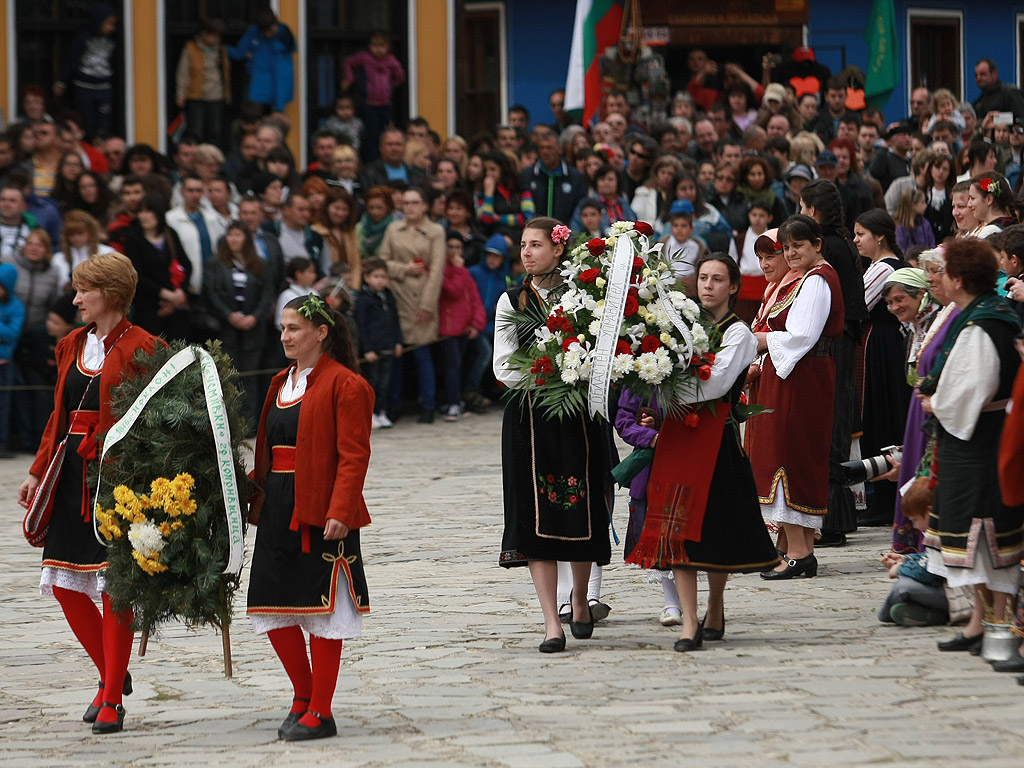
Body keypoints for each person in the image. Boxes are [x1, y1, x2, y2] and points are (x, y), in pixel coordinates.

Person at [18, 253, 160, 733]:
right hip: (69, 475)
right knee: (63, 583)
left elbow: (155, 423)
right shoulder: (71, 344)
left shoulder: (146, 347)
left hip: (117, 480)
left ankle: (112, 697)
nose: (75, 299)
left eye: (84, 291)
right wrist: (38, 471)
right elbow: (57, 418)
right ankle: (111, 675)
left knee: (114, 589)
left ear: (111, 295)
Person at [623, 253, 779, 651]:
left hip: (716, 441)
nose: (708, 285)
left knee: (712, 533)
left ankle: (717, 603)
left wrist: (661, 380)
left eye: (717, 279)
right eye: (703, 278)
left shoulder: (739, 333)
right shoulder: (677, 326)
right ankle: (689, 622)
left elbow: (713, 384)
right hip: (678, 438)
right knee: (679, 533)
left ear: (732, 287)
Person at [247, 293, 372, 741]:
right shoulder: (280, 382)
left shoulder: (347, 385)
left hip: (320, 508)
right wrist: (246, 494)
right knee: (272, 603)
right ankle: (302, 695)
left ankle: (321, 710)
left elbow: (354, 456)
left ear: (322, 332)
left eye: (294, 328)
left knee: (322, 608)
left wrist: (341, 510)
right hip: (278, 506)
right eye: (282, 328)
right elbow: (266, 446)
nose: (285, 336)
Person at [493, 217, 611, 652]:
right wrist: (548, 375)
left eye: (536, 245)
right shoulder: (512, 301)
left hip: (577, 414)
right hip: (529, 415)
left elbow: (603, 352)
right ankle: (550, 622)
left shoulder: (586, 296)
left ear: (558, 249)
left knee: (578, 506)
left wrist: (576, 373)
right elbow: (503, 366)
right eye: (523, 245)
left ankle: (580, 599)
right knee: (532, 515)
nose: (526, 252)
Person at [917, 238, 1024, 653]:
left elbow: (973, 386)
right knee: (976, 537)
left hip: (980, 439)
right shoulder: (977, 315)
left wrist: (935, 402)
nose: (938, 280)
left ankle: (998, 623)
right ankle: (980, 622)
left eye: (943, 273)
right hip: (972, 438)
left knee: (987, 535)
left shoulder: (984, 323)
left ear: (959, 279)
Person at [751, 215, 844, 579]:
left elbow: (802, 334)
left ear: (817, 245)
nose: (790, 253)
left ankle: (801, 551)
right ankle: (794, 546)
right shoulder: (803, 279)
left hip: (801, 377)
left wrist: (762, 341)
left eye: (797, 246)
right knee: (781, 452)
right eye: (786, 247)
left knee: (789, 454)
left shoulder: (819, 280)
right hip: (788, 372)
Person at [799, 181, 867, 544]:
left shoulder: (830, 247)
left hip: (836, 342)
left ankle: (833, 518)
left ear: (812, 211)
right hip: (842, 340)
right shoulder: (839, 242)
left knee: (831, 423)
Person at [852, 209, 910, 528]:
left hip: (882, 349)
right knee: (880, 415)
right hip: (881, 346)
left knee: (881, 415)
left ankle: (885, 501)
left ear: (880, 236)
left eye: (861, 234)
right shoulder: (877, 266)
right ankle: (881, 499)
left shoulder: (884, 268)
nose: (856, 240)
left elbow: (858, 304)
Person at [379, 186, 445, 423]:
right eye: (406, 203)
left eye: (415, 203)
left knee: (422, 353)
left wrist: (427, 304)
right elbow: (382, 262)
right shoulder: (393, 229)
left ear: (425, 205)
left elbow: (437, 269)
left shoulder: (436, 231)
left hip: (422, 296)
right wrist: (404, 269)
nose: (410, 207)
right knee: (397, 354)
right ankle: (393, 405)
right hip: (397, 296)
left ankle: (428, 405)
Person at [202, 221, 274, 429]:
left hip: (253, 330)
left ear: (246, 239)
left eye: (238, 235)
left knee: (250, 378)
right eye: (231, 235)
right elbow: (211, 294)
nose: (234, 239)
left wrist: (255, 317)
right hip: (226, 329)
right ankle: (229, 425)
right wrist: (229, 315)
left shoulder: (260, 264)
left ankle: (250, 424)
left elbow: (267, 294)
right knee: (228, 377)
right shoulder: (216, 263)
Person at [877, 478, 949, 626]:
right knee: (906, 584)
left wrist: (899, 569)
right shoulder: (938, 528)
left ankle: (943, 614)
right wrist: (906, 559)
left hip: (957, 596)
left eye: (915, 520)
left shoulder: (943, 531)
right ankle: (929, 614)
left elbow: (930, 572)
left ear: (929, 512)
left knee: (902, 587)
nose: (915, 526)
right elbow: (929, 557)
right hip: (944, 590)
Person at [123, 193, 191, 341]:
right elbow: (136, 274)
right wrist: (165, 294)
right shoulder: (133, 238)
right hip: (149, 309)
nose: (144, 216)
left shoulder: (170, 234)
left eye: (148, 211)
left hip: (176, 310)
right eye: (141, 211)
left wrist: (179, 293)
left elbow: (186, 265)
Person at [438, 234, 485, 421]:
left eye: (457, 247)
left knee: (460, 366)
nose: (454, 251)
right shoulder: (445, 271)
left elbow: (474, 298)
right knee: (452, 367)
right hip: (449, 329)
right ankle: (453, 403)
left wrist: (476, 324)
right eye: (450, 247)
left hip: (464, 329)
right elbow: (453, 290)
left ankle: (456, 400)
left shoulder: (462, 271)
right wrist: (459, 270)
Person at [54, 6, 118, 139]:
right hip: (84, 86)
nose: (111, 28)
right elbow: (71, 60)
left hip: (104, 87)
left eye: (113, 24)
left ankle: (100, 143)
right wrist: (62, 81)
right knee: (87, 121)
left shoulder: (112, 41)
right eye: (108, 23)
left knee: (104, 123)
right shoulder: (83, 38)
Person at [355, 257, 402, 429]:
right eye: (376, 276)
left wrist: (398, 341)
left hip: (388, 347)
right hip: (373, 350)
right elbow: (361, 326)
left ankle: (381, 411)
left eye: (383, 276)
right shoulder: (363, 300)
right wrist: (366, 349)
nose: (380, 280)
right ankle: (370, 414)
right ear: (367, 277)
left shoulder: (389, 296)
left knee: (384, 383)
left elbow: (396, 321)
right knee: (371, 383)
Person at [343, 32, 405, 162]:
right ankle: (372, 160)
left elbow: (400, 76)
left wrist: (390, 86)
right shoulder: (365, 58)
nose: (378, 49)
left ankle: (384, 159)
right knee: (371, 134)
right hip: (369, 104)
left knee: (385, 134)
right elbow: (349, 62)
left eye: (382, 45)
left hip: (385, 104)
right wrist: (350, 78)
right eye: (375, 45)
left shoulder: (391, 60)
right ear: (369, 46)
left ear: (388, 47)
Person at [174, 17, 230, 147]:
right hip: (196, 95)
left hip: (216, 96)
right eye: (214, 36)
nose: (217, 39)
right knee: (196, 130)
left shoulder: (221, 49)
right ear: (204, 34)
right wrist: (180, 95)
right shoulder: (190, 48)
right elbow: (183, 73)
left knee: (215, 131)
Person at [228, 7, 296, 113]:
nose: (270, 33)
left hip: (277, 84)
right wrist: (223, 48)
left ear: (276, 22)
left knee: (273, 122)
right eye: (266, 31)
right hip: (257, 86)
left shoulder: (284, 33)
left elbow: (290, 49)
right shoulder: (254, 32)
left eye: (272, 29)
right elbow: (239, 53)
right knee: (252, 117)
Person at [968, 172, 1016, 239]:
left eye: (972, 198)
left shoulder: (988, 233)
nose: (969, 204)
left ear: (988, 199)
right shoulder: (1011, 225)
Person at [356, 185, 394, 260]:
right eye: (371, 207)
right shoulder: (359, 228)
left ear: (388, 207)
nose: (375, 212)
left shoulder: (395, 227)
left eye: (379, 207)